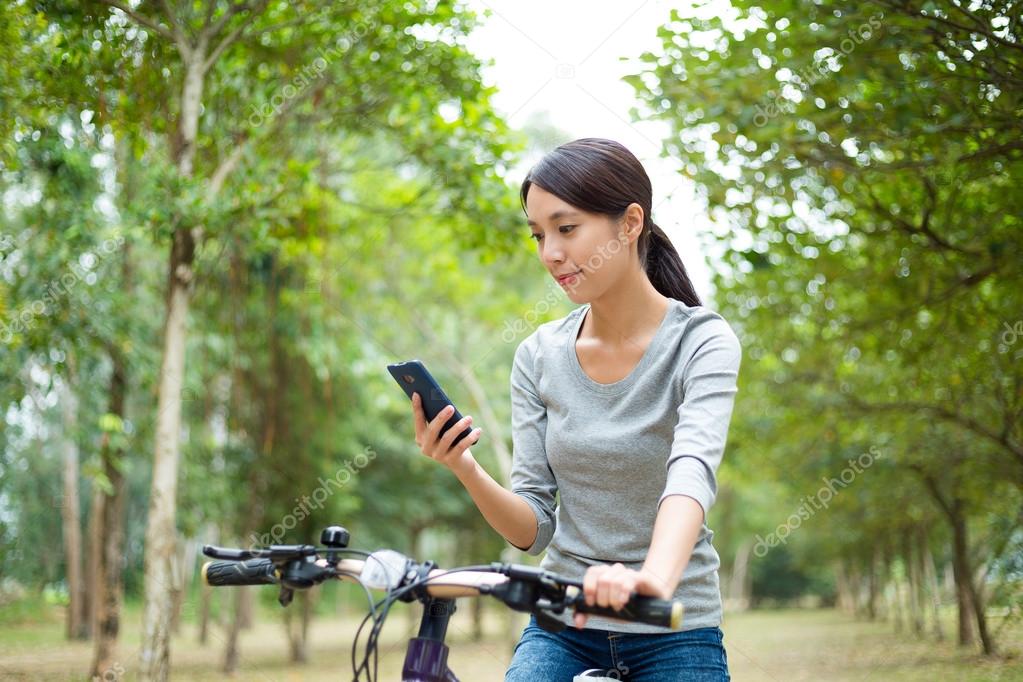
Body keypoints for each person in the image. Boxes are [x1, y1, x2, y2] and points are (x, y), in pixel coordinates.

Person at [410, 138, 739, 681]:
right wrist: (462, 466)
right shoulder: (538, 356)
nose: (549, 254)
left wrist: (652, 580)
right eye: (539, 236)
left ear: (630, 223)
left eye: (566, 229)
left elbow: (691, 472)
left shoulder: (702, 342)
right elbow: (533, 527)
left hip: (675, 628)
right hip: (563, 625)